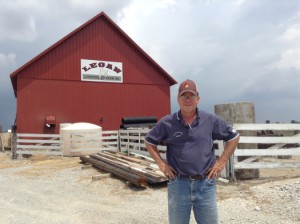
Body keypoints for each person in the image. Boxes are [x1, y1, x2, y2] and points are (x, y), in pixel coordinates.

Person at [144, 79, 240, 224]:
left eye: (191, 96)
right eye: (184, 96)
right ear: (178, 99)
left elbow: (234, 137)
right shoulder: (167, 122)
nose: (188, 99)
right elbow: (149, 141)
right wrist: (162, 165)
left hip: (205, 184)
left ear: (198, 99)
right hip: (178, 185)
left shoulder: (210, 120)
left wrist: (221, 162)